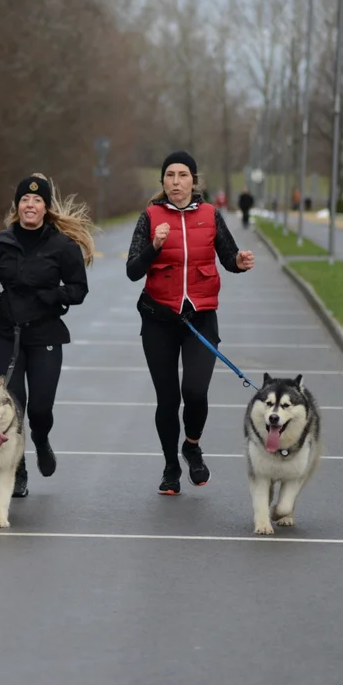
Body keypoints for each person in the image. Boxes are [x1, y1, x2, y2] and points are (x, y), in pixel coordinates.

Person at [126, 151, 255, 495]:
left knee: (195, 391)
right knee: (167, 399)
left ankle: (192, 445)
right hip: (159, 320)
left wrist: (240, 261)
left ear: (194, 181)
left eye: (183, 175)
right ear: (163, 182)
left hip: (200, 317)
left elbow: (228, 257)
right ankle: (171, 466)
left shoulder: (211, 215)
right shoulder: (150, 217)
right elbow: (132, 270)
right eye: (170, 175)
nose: (176, 182)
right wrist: (154, 246)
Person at [0, 173, 94, 497]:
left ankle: (41, 438)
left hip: (45, 334)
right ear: (17, 205)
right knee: (12, 406)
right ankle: (18, 469)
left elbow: (79, 289)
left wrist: (55, 296)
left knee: (39, 409)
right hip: (6, 334)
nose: (30, 204)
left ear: (46, 208)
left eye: (37, 200)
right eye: (25, 199)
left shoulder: (62, 247)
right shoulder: (1, 244)